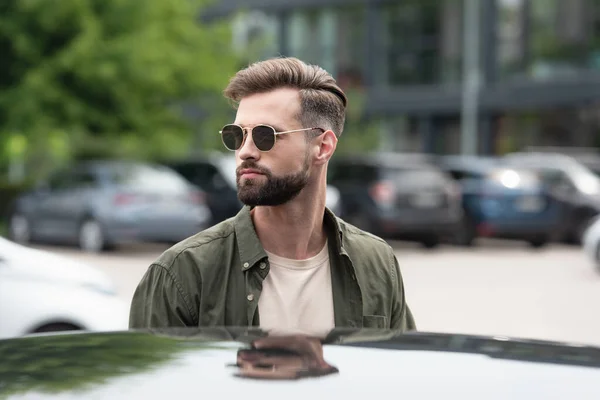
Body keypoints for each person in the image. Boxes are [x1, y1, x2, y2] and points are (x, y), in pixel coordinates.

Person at [129, 57, 416, 335]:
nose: (245, 151)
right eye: (237, 135)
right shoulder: (181, 274)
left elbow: (401, 376)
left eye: (266, 135)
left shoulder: (376, 263)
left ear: (323, 147)